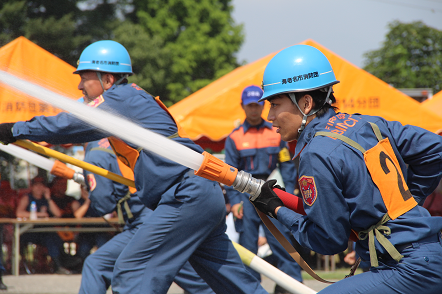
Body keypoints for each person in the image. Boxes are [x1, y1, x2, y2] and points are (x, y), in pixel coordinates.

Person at [0, 40, 267, 294]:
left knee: (132, 273)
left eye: (84, 77)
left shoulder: (117, 99)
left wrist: (16, 129)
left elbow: (67, 126)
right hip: (201, 194)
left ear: (107, 79)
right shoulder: (131, 98)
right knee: (233, 282)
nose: (79, 86)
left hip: (185, 196)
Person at [250, 44, 442, 293]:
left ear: (306, 103)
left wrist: (276, 210)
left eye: (274, 104)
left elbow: (329, 240)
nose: (269, 115)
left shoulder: (316, 153)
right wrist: (409, 200)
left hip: (407, 267)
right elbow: (435, 150)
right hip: (426, 254)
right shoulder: (369, 123)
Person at [78, 138, 214, 294]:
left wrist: (90, 192)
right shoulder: (120, 138)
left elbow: (104, 205)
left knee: (95, 265)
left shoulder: (94, 155)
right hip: (171, 209)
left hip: (146, 221)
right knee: (194, 277)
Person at [224, 85, 302, 294]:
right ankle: (250, 289)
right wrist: (234, 201)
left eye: (258, 104)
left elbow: (286, 165)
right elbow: (228, 172)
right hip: (245, 196)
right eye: (250, 105)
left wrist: (290, 192)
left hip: (272, 192)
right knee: (248, 247)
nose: (254, 109)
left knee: (282, 241)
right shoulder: (234, 138)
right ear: (243, 106)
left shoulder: (275, 133)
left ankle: (291, 287)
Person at [15, 176, 71, 274]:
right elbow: (19, 213)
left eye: (42, 186)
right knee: (50, 237)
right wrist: (40, 214)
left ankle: (64, 262)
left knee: (54, 236)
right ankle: (59, 265)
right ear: (32, 187)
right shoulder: (27, 197)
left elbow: (58, 214)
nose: (39, 188)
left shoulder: (46, 199)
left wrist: (48, 198)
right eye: (37, 185)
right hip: (29, 231)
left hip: (43, 231)